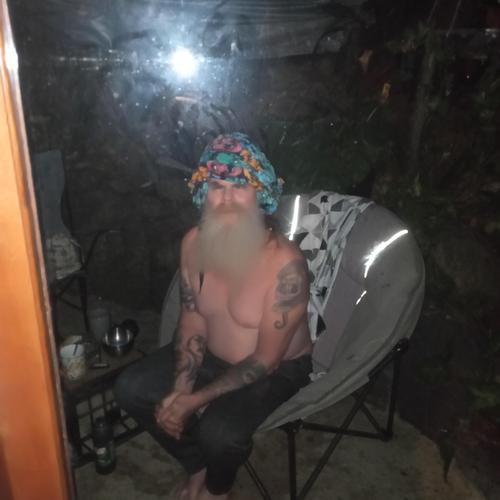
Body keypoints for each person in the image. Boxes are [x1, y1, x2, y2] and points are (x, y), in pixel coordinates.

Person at [115, 132, 313, 500]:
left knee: (220, 434)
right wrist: (181, 390)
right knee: (131, 389)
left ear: (261, 195)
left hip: (275, 366)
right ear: (204, 193)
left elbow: (266, 360)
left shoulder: (286, 266)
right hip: (212, 355)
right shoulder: (194, 243)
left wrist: (195, 401)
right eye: (217, 186)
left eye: (240, 187)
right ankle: (196, 465)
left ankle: (218, 488)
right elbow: (193, 319)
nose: (227, 199)